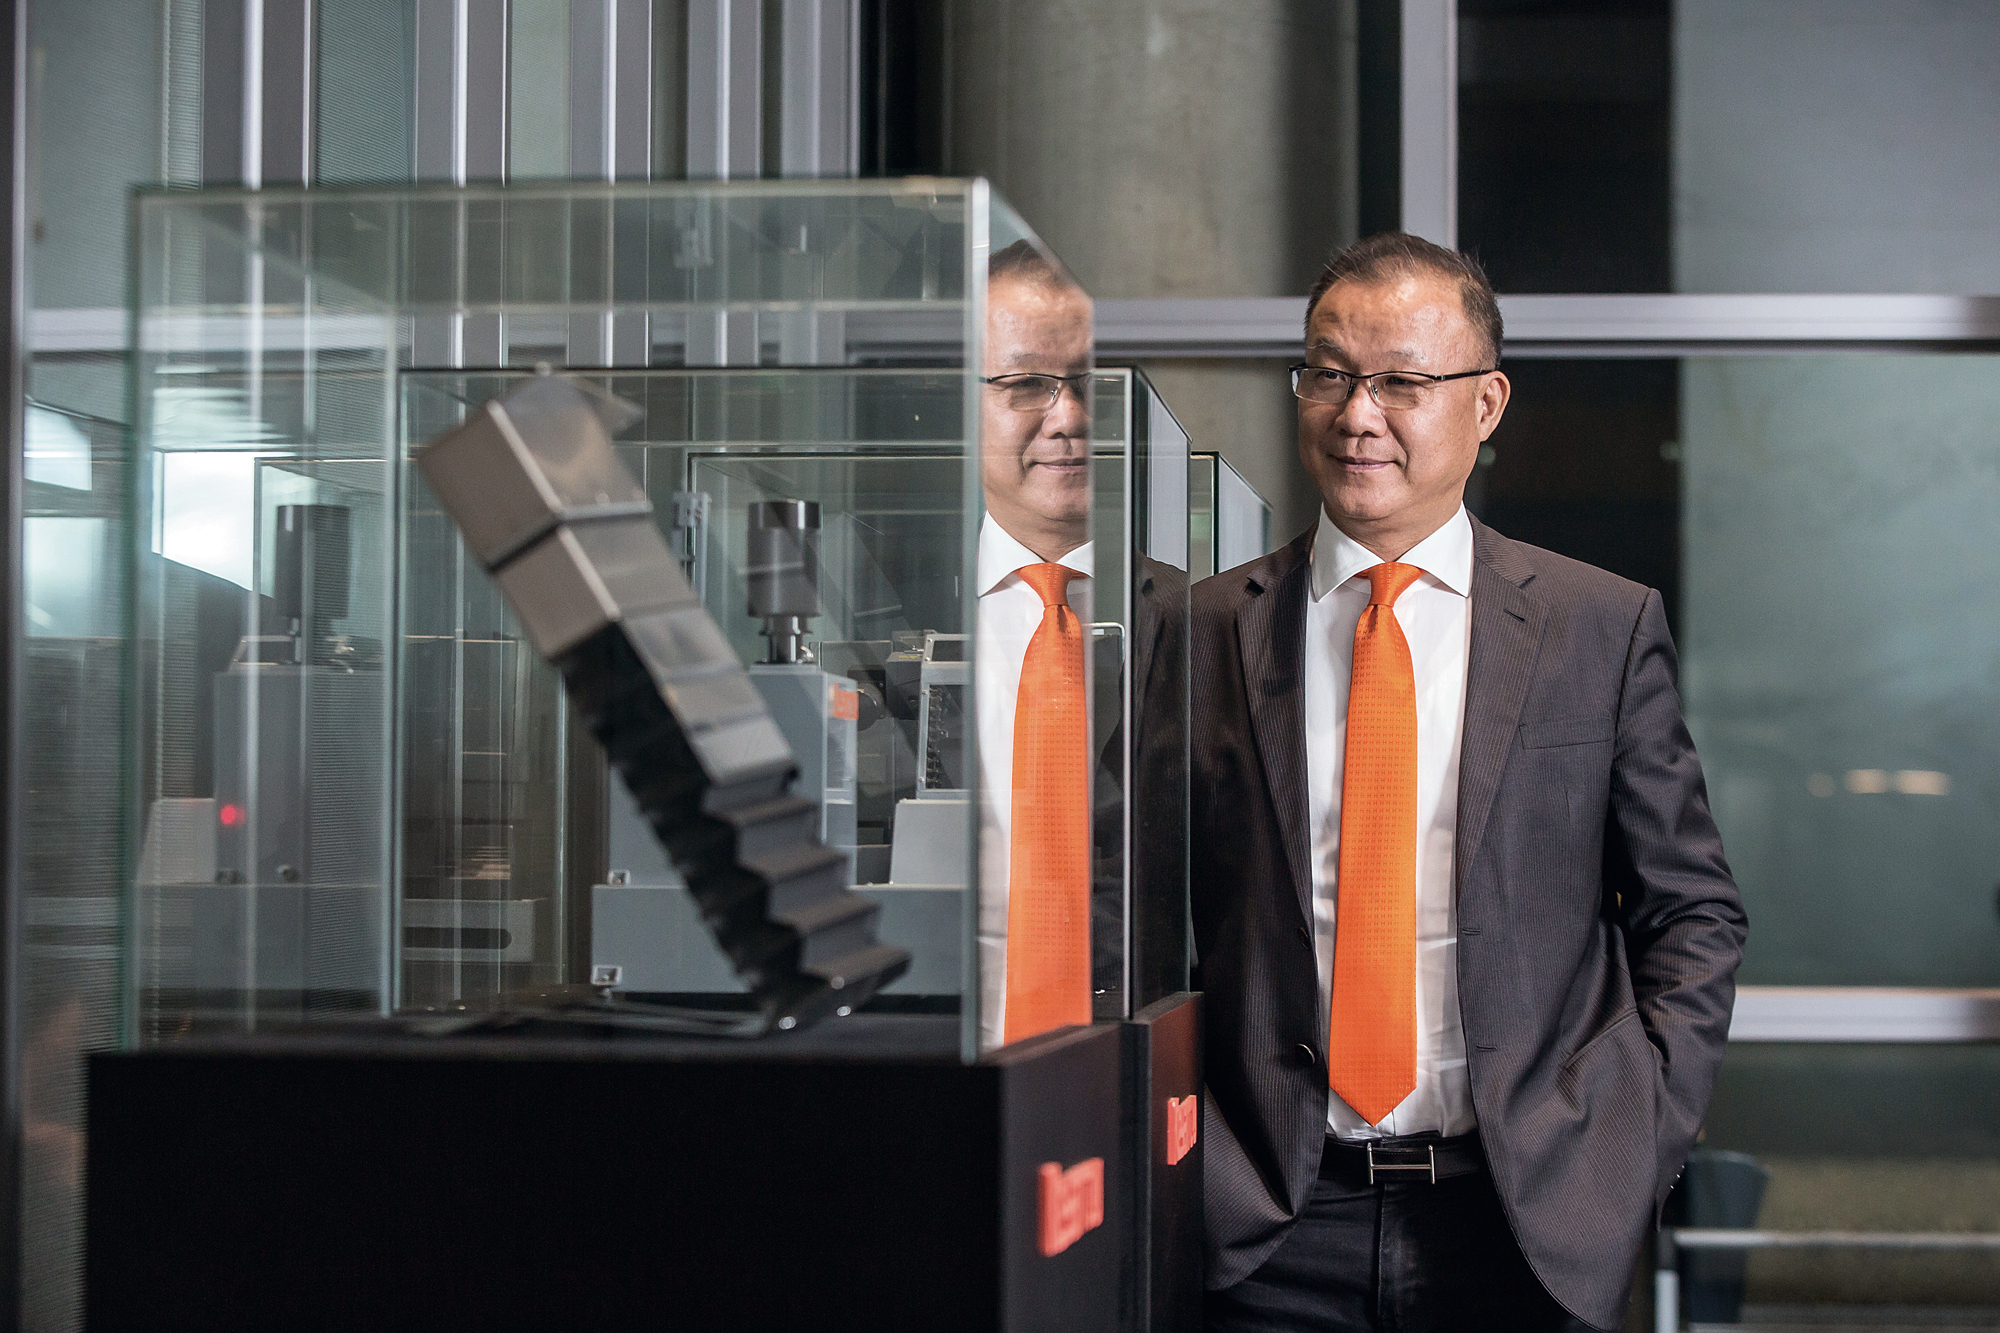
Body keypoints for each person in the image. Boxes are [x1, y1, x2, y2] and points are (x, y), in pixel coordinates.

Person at [1191, 233, 1746, 1332]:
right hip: (1265, 1222)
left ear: (1485, 404)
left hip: (1524, 1217)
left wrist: (1638, 1132)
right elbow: (1137, 915)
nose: (1357, 414)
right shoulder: (1201, 630)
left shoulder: (1596, 627)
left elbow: (1691, 910)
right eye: (1328, 373)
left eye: (1401, 382)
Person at [973, 240, 1098, 1050]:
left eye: (1087, 383)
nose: (1069, 417)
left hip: (1124, 1068)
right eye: (1026, 386)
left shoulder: (1198, 621)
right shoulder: (878, 610)